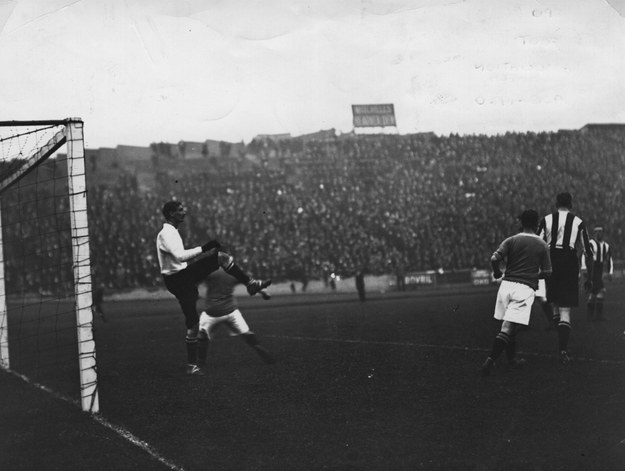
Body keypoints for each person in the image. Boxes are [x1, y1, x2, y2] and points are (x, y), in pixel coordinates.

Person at [156, 200, 271, 375]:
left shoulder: (171, 231)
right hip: (178, 280)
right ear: (171, 213)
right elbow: (180, 257)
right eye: (180, 210)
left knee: (194, 324)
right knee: (193, 324)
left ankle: (251, 284)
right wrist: (205, 248)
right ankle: (192, 365)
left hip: (183, 276)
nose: (184, 212)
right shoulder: (166, 233)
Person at [480, 209, 552, 376]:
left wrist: (497, 272)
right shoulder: (542, 245)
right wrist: (533, 275)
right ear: (537, 224)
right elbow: (548, 272)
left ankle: (512, 359)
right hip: (524, 288)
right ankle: (490, 360)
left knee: (509, 324)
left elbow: (494, 259)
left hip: (505, 286)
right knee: (508, 326)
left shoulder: (510, 240)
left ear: (522, 223)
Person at [538, 192, 593, 365]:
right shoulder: (578, 222)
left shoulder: (546, 220)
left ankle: (560, 336)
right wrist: (588, 277)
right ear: (571, 204)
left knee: (555, 304)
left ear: (556, 203)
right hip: (569, 262)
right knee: (565, 310)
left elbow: (537, 244)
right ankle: (562, 349)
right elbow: (588, 252)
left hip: (551, 261)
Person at [197, 267, 275, 369]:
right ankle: (258, 347)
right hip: (231, 311)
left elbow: (194, 281)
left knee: (201, 337)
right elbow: (251, 283)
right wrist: (264, 293)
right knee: (247, 334)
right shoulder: (234, 272)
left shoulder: (208, 270)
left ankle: (200, 362)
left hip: (212, 312)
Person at [581, 225, 613, 321]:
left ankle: (593, 316)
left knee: (595, 292)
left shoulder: (606, 246)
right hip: (592, 268)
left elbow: (609, 259)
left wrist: (610, 272)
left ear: (603, 233)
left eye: (600, 231)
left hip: (599, 269)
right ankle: (595, 316)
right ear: (594, 233)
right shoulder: (590, 243)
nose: (598, 233)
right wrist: (584, 268)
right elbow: (584, 255)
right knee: (600, 291)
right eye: (596, 232)